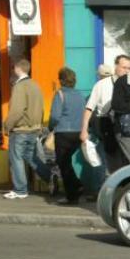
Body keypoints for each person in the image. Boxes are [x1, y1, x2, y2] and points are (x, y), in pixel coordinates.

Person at [2, 59, 51, 199]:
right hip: (34, 129)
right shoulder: (35, 85)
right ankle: (49, 176)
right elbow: (41, 108)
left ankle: (20, 190)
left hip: (21, 129)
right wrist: (39, 125)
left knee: (16, 158)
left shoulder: (19, 87)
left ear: (18, 69)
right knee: (30, 157)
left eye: (13, 68)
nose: (12, 71)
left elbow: (17, 110)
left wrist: (7, 126)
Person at [80, 55, 130, 172]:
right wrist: (84, 130)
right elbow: (89, 108)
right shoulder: (102, 85)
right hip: (107, 128)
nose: (127, 71)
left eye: (129, 68)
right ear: (116, 66)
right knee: (111, 164)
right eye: (124, 67)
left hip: (127, 128)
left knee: (127, 163)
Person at [48, 67, 86, 205]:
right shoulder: (80, 95)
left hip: (63, 133)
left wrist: (50, 127)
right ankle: (76, 187)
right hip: (77, 133)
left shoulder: (60, 94)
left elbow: (55, 116)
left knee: (63, 163)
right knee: (67, 162)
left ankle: (73, 194)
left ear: (61, 80)